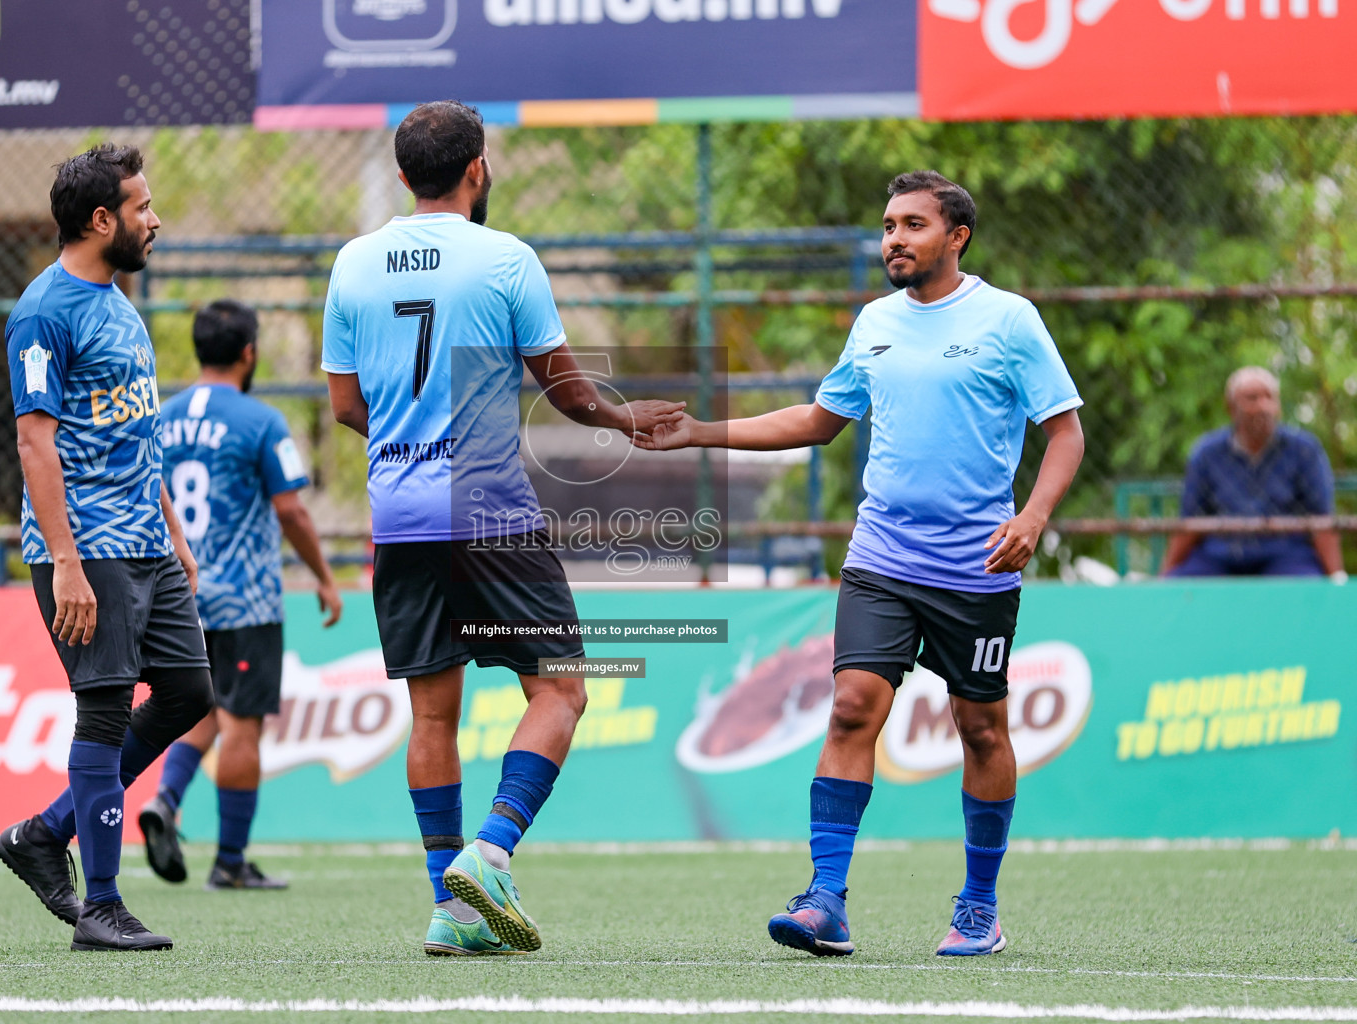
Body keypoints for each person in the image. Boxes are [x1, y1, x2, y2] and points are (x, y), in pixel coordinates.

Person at [636, 170, 1085, 958]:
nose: (894, 240)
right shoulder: (873, 323)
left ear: (957, 236)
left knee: (980, 730)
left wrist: (1034, 517)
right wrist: (702, 432)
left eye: (913, 224)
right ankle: (826, 901)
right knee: (850, 709)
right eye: (887, 226)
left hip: (976, 567)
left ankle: (978, 906)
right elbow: (817, 421)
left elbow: (1066, 433)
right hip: (881, 558)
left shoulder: (1008, 320)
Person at [322, 100, 682, 956]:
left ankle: (450, 909)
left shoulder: (353, 264)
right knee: (559, 689)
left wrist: (411, 440)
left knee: (433, 713)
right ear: (478, 168)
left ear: (404, 176)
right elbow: (567, 392)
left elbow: (344, 406)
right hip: (487, 507)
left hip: (400, 513)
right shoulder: (507, 259)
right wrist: (625, 420)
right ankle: (491, 850)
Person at [0, 144, 215, 952]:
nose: (154, 220)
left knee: (191, 692)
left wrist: (173, 530)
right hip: (86, 551)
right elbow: (34, 443)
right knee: (106, 706)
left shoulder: (120, 302)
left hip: (146, 544)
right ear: (100, 220)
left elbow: (133, 431)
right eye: (143, 207)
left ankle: (44, 833)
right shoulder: (42, 313)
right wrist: (67, 563)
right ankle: (103, 904)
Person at [137, 300, 344, 890]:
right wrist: (325, 577)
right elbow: (291, 508)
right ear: (249, 352)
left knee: (205, 707)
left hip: (177, 593)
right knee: (243, 723)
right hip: (245, 602)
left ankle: (167, 800)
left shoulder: (161, 416)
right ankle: (229, 861)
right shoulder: (261, 421)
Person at [1162, 366, 1343, 578]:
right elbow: (1189, 521)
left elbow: (1322, 519)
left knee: (1305, 591)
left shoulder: (1304, 450)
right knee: (1182, 588)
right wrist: (1164, 580)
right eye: (1252, 398)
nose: (1263, 406)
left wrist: (1337, 579)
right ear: (1231, 407)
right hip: (1220, 555)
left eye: (1269, 397)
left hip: (1286, 555)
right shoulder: (1206, 453)